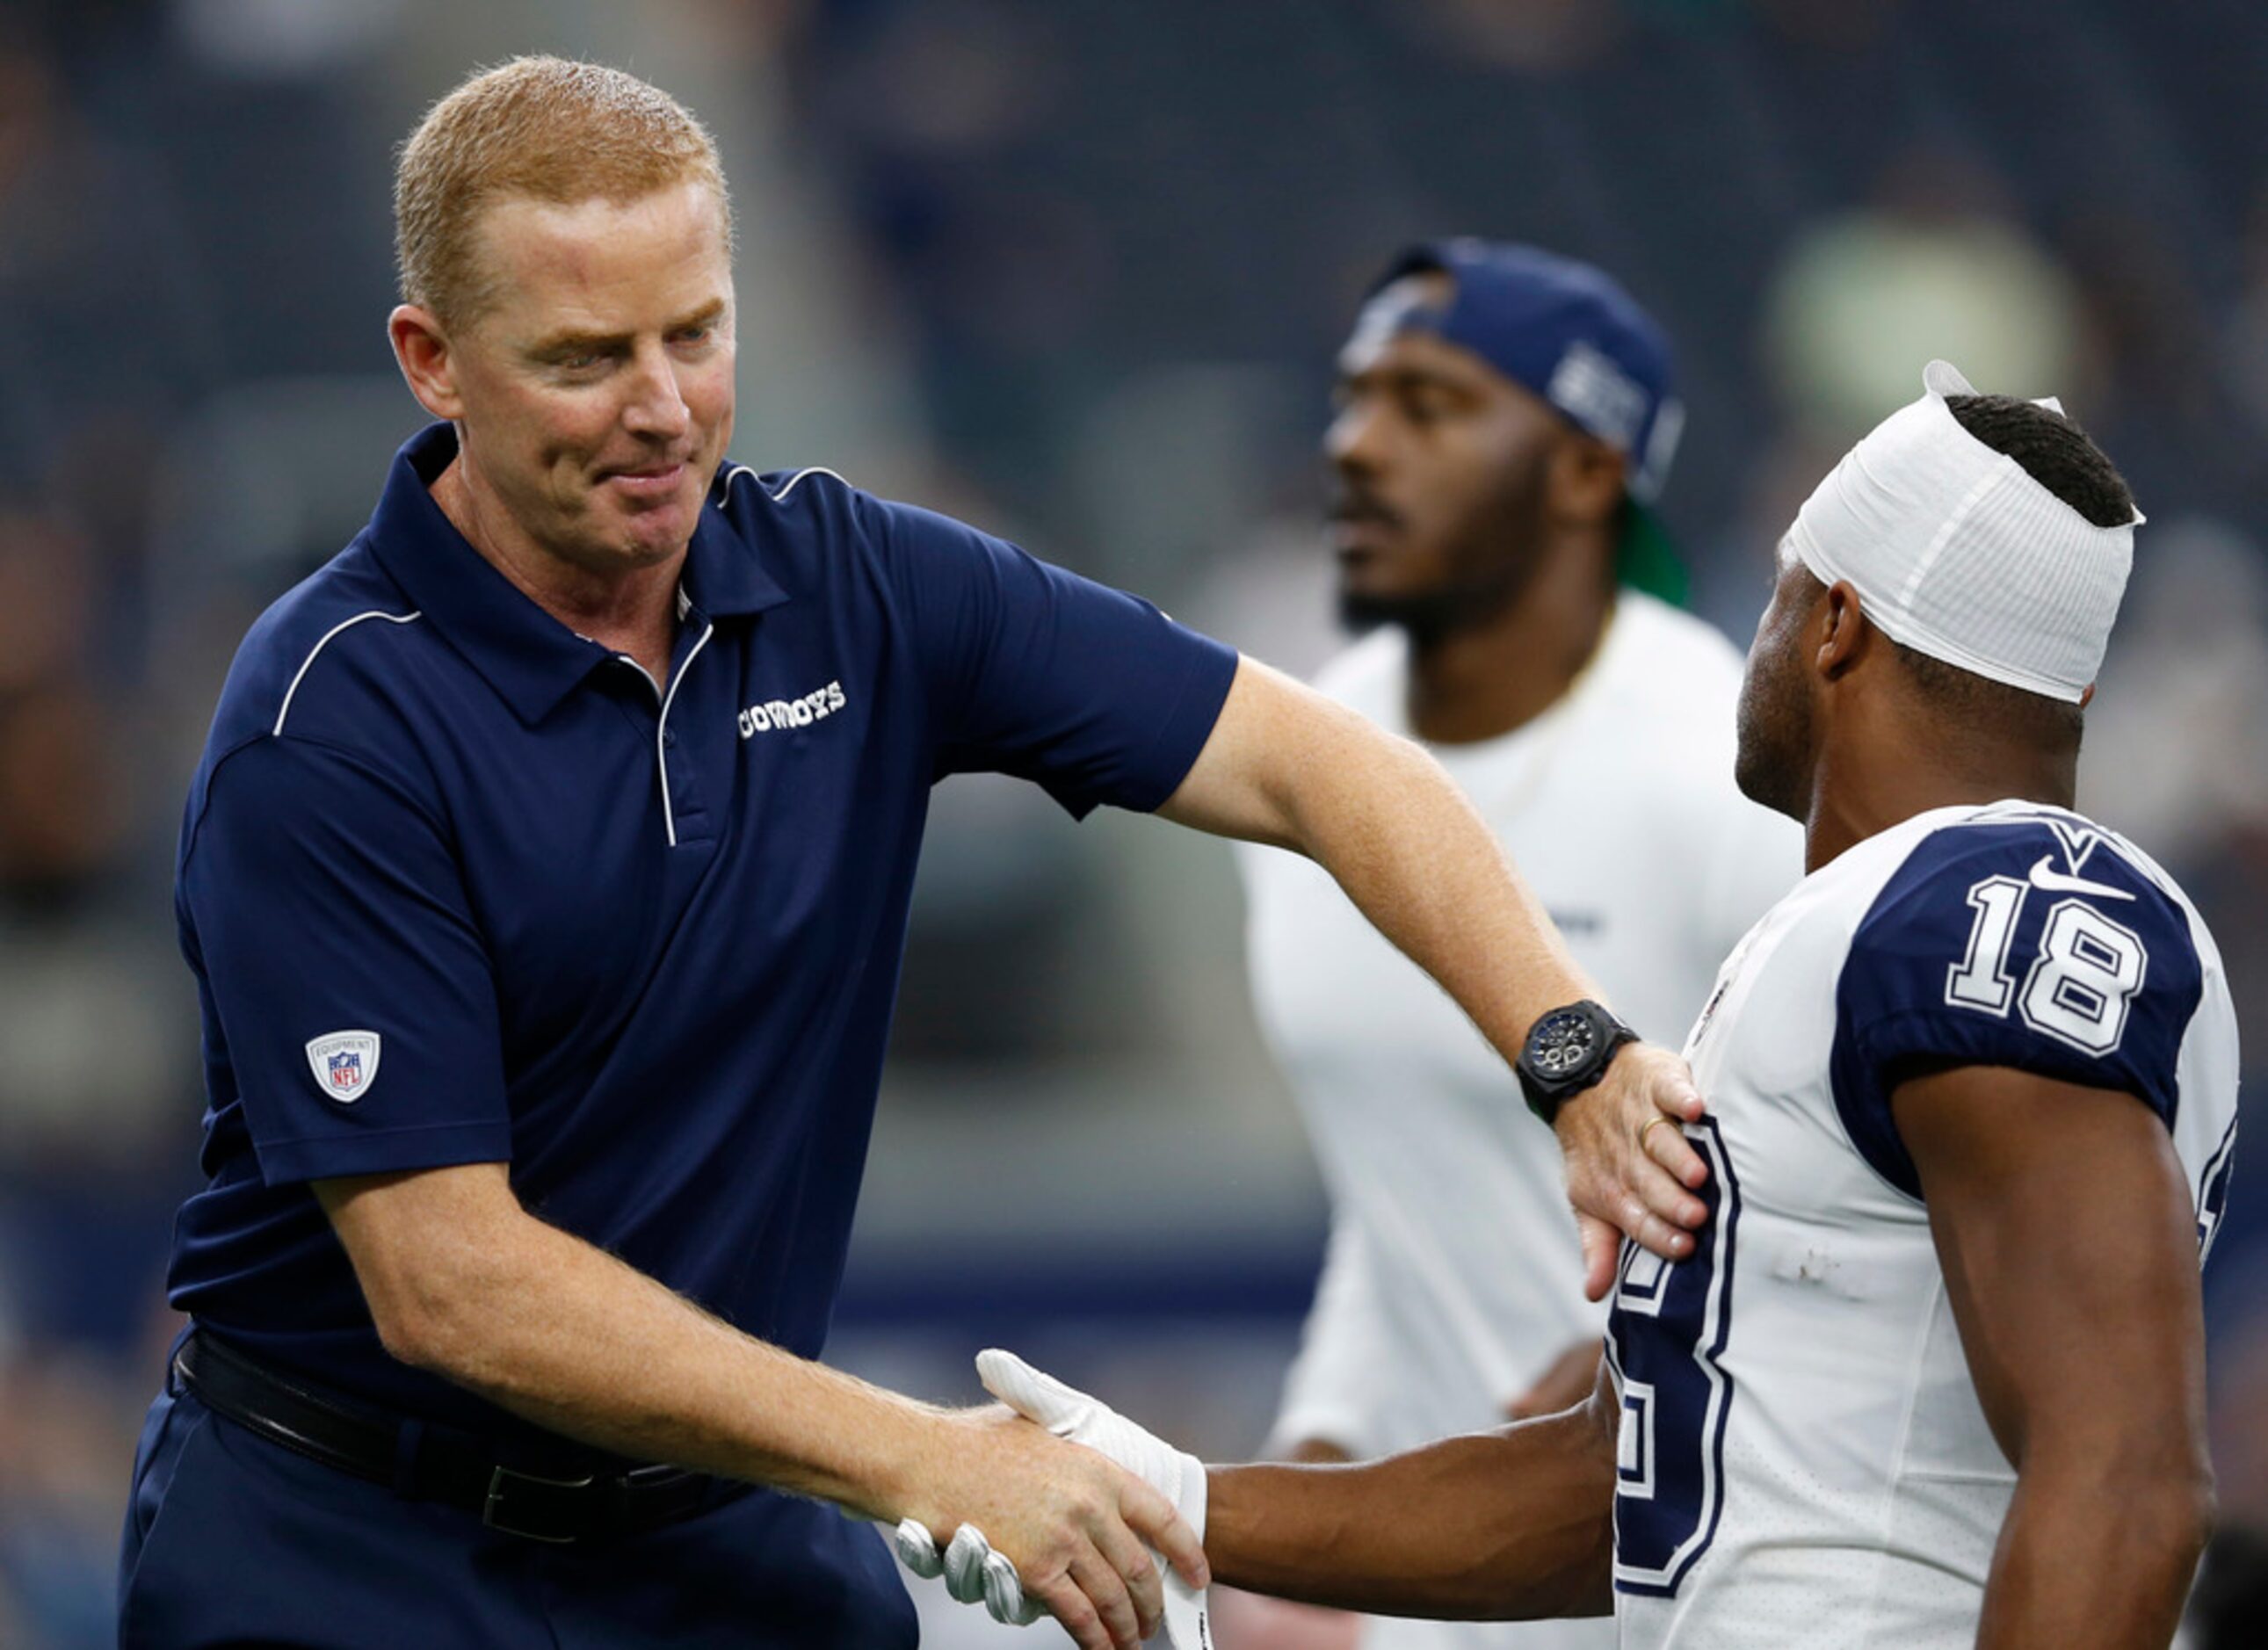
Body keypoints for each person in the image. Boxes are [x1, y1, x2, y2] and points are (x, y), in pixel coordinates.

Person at [115, 57, 1717, 1650]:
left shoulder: (853, 582)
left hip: (719, 1535)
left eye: (698, 331)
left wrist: (1567, 1047)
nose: (664, 408)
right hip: (346, 1554)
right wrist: (928, 1460)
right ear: (431, 360)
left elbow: (1319, 765)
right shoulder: (325, 723)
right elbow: (450, 1280)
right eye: (585, 357)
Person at [923, 363, 2242, 1650]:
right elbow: (1621, 1496)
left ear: (1835, 623)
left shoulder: (1986, 901)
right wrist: (1161, 1493)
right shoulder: (1865, 929)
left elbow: (2124, 1473)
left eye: (1782, 594)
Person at [1231, 241, 1800, 1650]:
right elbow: (1397, 1168)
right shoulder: (1297, 758)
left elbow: (1879, 1190)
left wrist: (1649, 1348)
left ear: (1585, 472)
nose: (1356, 447)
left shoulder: (1728, 775)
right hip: (1447, 1589)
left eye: (1429, 406)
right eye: (1353, 398)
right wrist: (1321, 1451)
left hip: (1724, 1583)